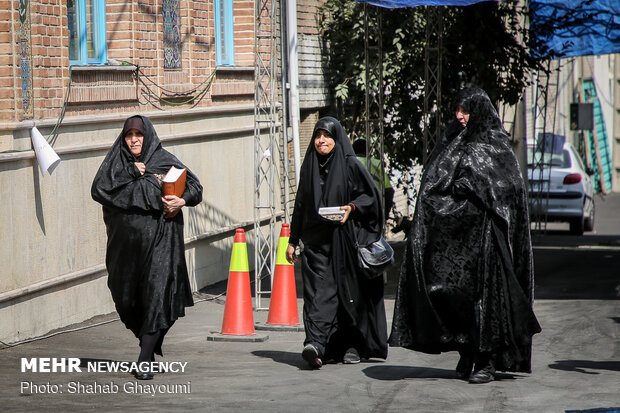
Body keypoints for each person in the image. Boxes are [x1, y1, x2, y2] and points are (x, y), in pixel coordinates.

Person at [389, 87, 541, 384]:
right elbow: (432, 187)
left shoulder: (496, 146)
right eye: (457, 109)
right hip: (456, 243)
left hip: (488, 241)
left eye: (466, 110)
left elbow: (509, 191)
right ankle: (467, 349)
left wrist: (475, 186)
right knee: (449, 294)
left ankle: (485, 361)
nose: (459, 116)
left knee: (488, 302)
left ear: (479, 112)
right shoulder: (451, 142)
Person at [91, 115, 203, 380]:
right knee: (127, 298)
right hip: (125, 250)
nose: (134, 140)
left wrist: (181, 201)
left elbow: (195, 187)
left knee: (157, 294)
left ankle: (144, 359)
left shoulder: (163, 159)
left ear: (147, 135)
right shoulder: (116, 162)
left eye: (138, 135)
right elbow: (98, 189)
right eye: (129, 135)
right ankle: (149, 347)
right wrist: (131, 172)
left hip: (162, 243)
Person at [285, 116, 388, 369]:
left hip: (343, 242)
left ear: (337, 139)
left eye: (327, 136)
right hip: (315, 242)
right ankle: (317, 345)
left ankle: (351, 345)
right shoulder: (309, 165)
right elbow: (300, 205)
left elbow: (371, 197)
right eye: (318, 135)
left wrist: (351, 208)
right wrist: (293, 240)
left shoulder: (349, 164)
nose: (321, 140)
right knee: (315, 296)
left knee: (345, 295)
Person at [352, 139, 395, 224]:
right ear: (369, 150)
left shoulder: (350, 163)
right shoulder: (377, 163)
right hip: (375, 211)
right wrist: (384, 214)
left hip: (356, 212)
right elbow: (389, 191)